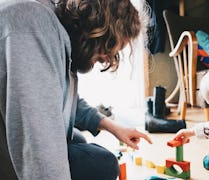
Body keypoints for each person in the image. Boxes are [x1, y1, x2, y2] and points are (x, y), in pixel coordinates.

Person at [0, 0, 152, 180]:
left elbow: (55, 98)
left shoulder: (52, 28)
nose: (107, 60)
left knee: (79, 141)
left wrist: (113, 127)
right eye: (110, 49)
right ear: (99, 28)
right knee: (103, 165)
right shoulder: (33, 24)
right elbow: (39, 150)